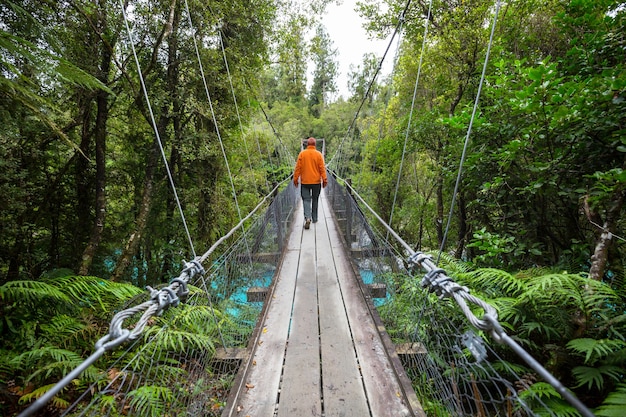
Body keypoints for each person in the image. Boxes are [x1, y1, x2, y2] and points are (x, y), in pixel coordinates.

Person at [293, 137, 328, 229]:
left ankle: (307, 217)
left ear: (307, 144)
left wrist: (295, 179)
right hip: (316, 182)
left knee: (306, 199)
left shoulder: (302, 154)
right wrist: (324, 180)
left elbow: (297, 169)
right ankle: (315, 218)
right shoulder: (319, 155)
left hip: (305, 182)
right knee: (315, 199)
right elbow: (322, 169)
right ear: (315, 145)